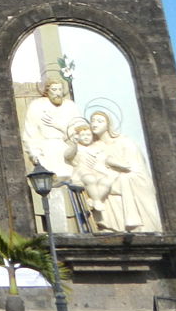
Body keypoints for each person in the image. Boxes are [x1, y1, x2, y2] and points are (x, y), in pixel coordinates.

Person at [21, 79, 82, 230]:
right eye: (54, 89)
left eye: (60, 89)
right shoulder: (37, 106)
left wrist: (59, 127)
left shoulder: (70, 106)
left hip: (68, 149)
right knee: (51, 184)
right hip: (47, 149)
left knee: (74, 181)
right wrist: (34, 152)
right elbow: (31, 132)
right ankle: (57, 226)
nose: (57, 93)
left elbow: (77, 130)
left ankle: (78, 224)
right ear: (47, 91)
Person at [88, 110, 162, 232]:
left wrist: (110, 164)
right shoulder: (93, 147)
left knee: (113, 181)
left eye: (100, 121)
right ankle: (108, 226)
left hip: (132, 180)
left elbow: (134, 168)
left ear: (108, 124)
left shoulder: (125, 142)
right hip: (108, 181)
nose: (95, 124)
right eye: (92, 121)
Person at [64, 118, 114, 229]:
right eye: (83, 135)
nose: (86, 137)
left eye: (89, 135)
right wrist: (74, 144)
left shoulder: (96, 147)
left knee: (106, 181)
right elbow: (68, 155)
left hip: (96, 171)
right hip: (81, 171)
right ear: (77, 137)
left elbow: (105, 158)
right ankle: (97, 201)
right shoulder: (76, 148)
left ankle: (96, 199)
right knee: (89, 178)